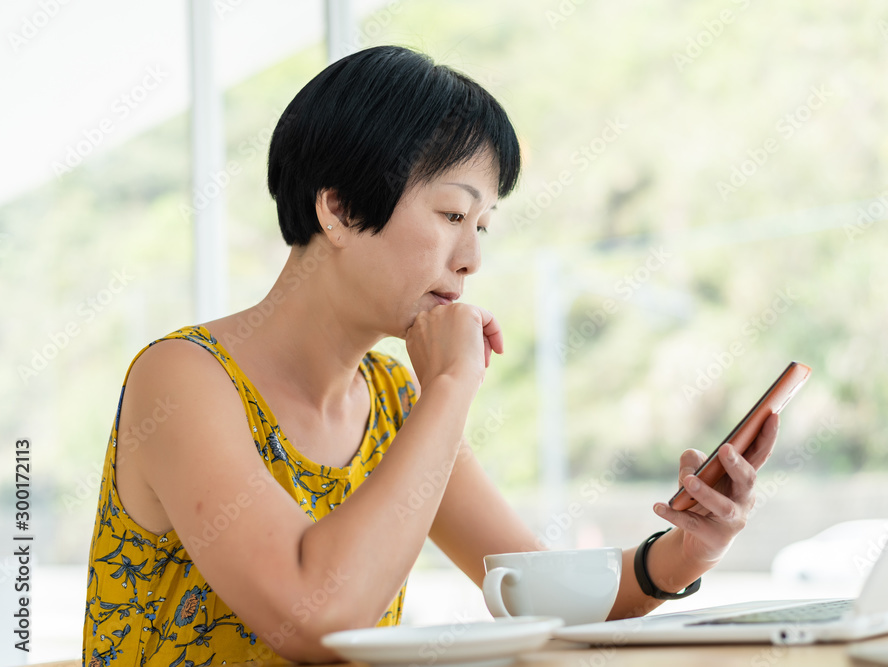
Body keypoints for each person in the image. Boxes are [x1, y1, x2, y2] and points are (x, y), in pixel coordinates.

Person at [82, 44, 780, 665]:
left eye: (482, 225)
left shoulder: (390, 398)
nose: (472, 258)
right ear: (338, 208)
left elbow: (543, 590)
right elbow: (313, 613)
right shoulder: (182, 380)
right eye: (451, 215)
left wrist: (688, 551)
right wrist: (450, 385)